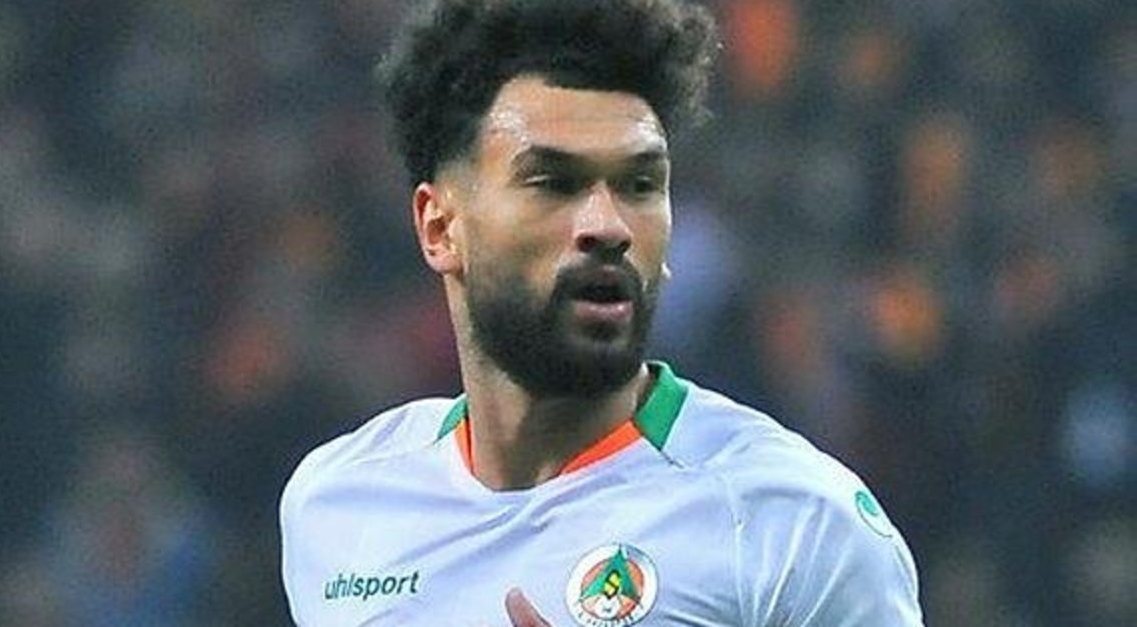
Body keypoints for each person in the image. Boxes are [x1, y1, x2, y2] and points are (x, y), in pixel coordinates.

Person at [280, 1, 923, 625]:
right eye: (553, 183)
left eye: (640, 185)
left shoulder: (796, 525)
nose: (609, 225)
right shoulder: (337, 505)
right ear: (440, 227)